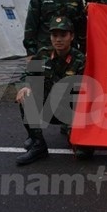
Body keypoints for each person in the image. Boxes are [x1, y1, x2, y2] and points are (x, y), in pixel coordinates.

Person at [15, 16, 87, 165]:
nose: (58, 39)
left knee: (83, 154)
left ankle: (72, 133)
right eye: (55, 35)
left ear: (71, 36)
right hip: (48, 108)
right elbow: (27, 74)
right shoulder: (43, 54)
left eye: (63, 35)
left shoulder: (80, 60)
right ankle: (38, 144)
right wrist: (24, 86)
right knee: (26, 97)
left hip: (70, 113)